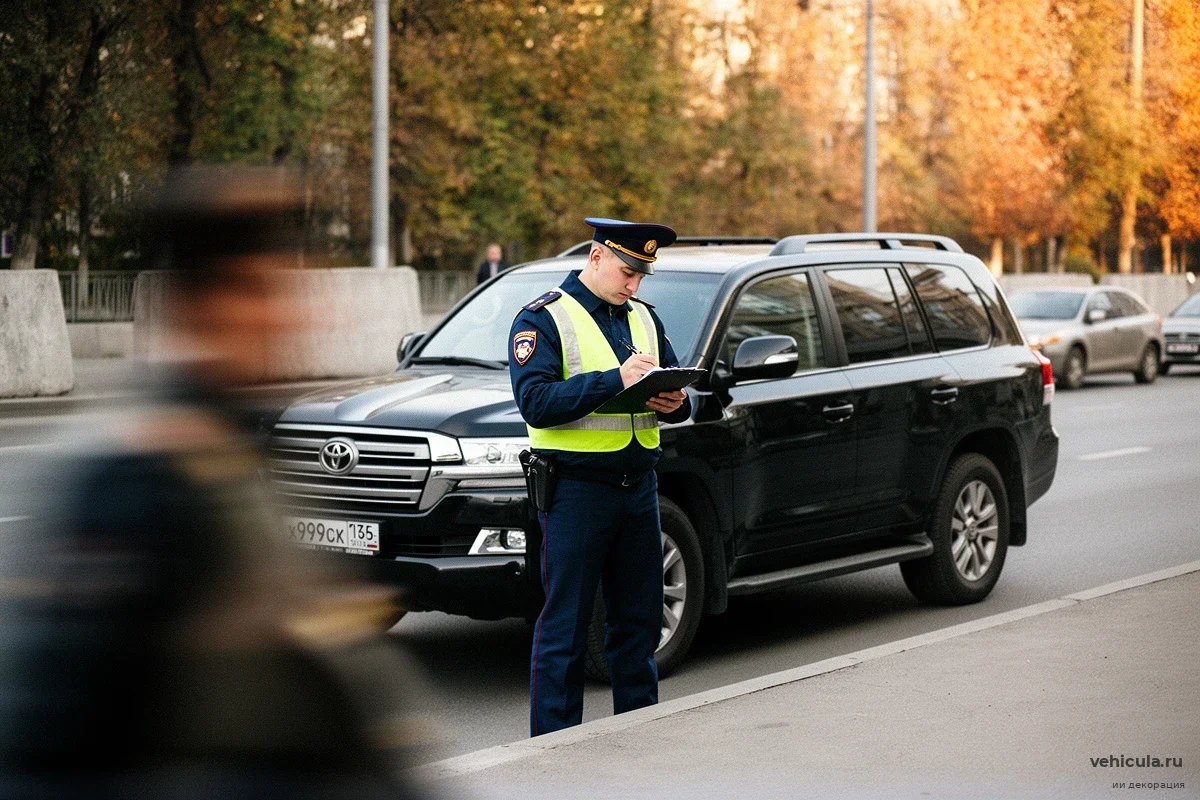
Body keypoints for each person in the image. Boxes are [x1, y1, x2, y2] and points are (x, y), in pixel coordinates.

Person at [0, 167, 431, 800]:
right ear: (200, 308)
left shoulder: (226, 450)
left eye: (288, 288)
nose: (287, 314)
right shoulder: (136, 481)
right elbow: (51, 749)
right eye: (258, 291)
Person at [509, 217, 691, 737]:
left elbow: (672, 390)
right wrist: (616, 379)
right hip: (576, 492)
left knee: (638, 626)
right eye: (627, 270)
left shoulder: (643, 318)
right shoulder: (543, 319)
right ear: (595, 257)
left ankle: (638, 736)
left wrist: (675, 402)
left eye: (642, 275)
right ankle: (555, 747)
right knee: (564, 628)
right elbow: (536, 402)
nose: (634, 284)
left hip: (640, 490)